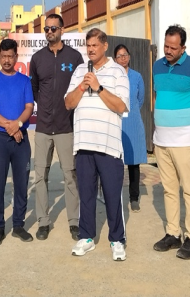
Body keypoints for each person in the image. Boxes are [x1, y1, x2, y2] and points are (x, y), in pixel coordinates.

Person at [65, 28, 129, 262]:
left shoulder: (118, 72)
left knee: (112, 195)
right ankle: (87, 237)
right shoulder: (80, 70)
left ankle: (117, 239)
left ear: (104, 46)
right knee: (86, 195)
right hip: (84, 144)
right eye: (88, 45)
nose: (90, 50)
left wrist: (98, 87)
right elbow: (68, 103)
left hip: (108, 145)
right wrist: (83, 86)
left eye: (94, 45)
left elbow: (121, 106)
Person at [152, 25, 190, 261]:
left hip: (184, 140)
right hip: (161, 139)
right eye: (166, 46)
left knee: (189, 189)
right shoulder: (158, 66)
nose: (168, 51)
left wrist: (186, 110)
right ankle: (173, 233)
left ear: (183, 47)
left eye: (173, 47)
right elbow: (158, 95)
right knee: (169, 189)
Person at [30, 14, 84, 241]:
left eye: (53, 28)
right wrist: (45, 108)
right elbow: (34, 89)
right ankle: (43, 221)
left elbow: (81, 88)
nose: (49, 32)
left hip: (66, 127)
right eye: (46, 29)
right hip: (43, 127)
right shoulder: (37, 58)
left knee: (70, 175)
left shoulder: (74, 57)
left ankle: (74, 222)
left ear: (62, 29)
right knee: (40, 176)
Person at [0, 38, 35, 245]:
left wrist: (18, 124)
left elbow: (29, 107)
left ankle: (18, 225)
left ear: (16, 57)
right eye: (3, 56)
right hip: (0, 140)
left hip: (21, 140)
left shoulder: (24, 81)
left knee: (21, 183)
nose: (6, 60)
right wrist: (10, 127)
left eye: (10, 56)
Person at [113, 44, 147, 212]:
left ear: (129, 57)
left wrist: (130, 112)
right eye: (119, 56)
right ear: (115, 59)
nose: (123, 58)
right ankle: (114, 197)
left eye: (125, 55)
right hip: (116, 122)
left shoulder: (137, 76)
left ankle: (134, 197)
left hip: (133, 122)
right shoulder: (112, 76)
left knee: (133, 163)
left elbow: (140, 99)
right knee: (115, 162)